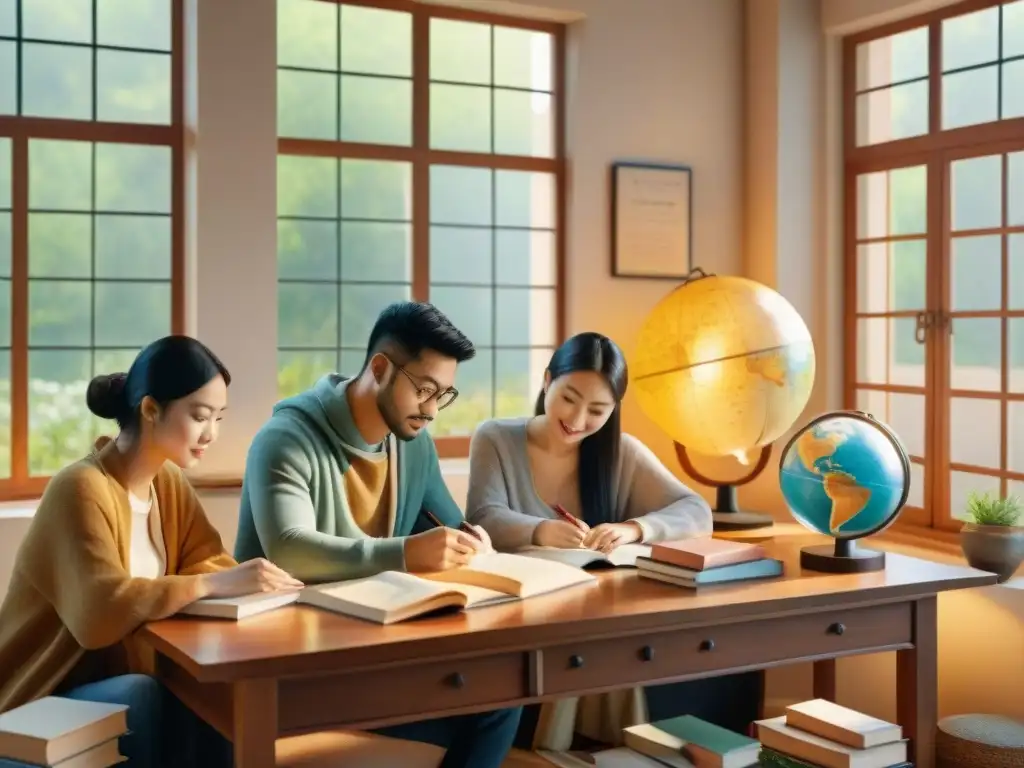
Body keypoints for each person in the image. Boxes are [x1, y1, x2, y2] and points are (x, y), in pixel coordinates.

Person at [234, 301, 521, 768]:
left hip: (370, 651)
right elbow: (289, 549)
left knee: (500, 698)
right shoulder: (286, 437)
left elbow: (448, 525)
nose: (431, 410)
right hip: (288, 667)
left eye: (443, 395)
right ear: (381, 368)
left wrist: (475, 543)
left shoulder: (411, 443)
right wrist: (408, 553)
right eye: (424, 390)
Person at [0, 336, 302, 768]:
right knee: (142, 694)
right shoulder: (81, 488)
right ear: (150, 409)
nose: (211, 433)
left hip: (116, 682)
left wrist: (238, 583)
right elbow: (99, 612)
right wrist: (209, 584)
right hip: (39, 704)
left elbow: (207, 558)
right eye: (199, 416)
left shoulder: (168, 483)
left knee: (221, 698)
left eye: (218, 417)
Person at [465, 332, 724, 751]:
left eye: (598, 410)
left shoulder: (621, 452)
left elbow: (696, 512)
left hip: (601, 612)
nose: (578, 419)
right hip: (519, 612)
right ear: (547, 380)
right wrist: (540, 530)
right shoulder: (495, 437)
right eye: (569, 398)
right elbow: (482, 516)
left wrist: (634, 528)